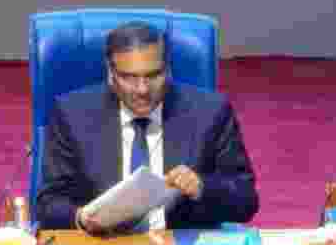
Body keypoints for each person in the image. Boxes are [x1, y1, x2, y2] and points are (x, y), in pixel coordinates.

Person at [35, 22, 258, 232]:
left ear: (168, 70)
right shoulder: (72, 114)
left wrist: (202, 187)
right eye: (129, 78)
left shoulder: (210, 113)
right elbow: (48, 203)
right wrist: (81, 218)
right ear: (110, 74)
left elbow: (246, 199)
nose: (142, 90)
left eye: (153, 75)